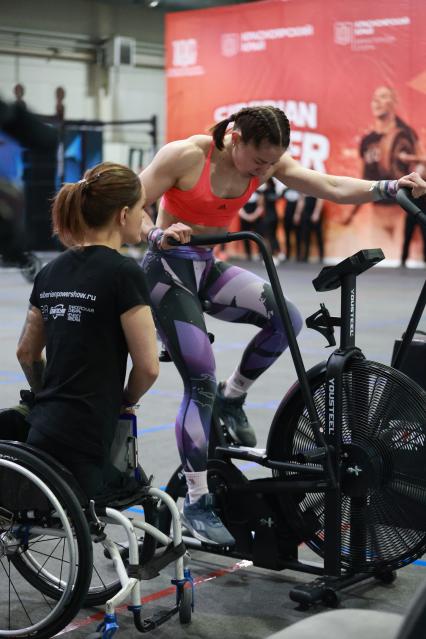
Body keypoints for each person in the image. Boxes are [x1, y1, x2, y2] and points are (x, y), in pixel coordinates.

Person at [138, 105, 426, 547]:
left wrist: (387, 186)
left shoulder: (269, 162)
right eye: (258, 161)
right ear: (234, 138)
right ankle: (197, 500)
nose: (265, 170)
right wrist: (154, 233)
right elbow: (128, 204)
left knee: (286, 319)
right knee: (200, 381)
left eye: (272, 162)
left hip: (207, 266)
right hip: (166, 270)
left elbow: (328, 185)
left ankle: (234, 399)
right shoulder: (184, 156)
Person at [14, 161, 159, 498]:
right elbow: (149, 367)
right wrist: (125, 401)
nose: (144, 216)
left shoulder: (50, 271)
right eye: (142, 208)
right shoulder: (125, 274)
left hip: (42, 434)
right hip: (87, 440)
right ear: (123, 215)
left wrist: (45, 394)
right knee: (148, 497)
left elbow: (26, 352)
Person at [257, 177, 282, 265]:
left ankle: (271, 257)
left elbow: (260, 204)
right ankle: (277, 255)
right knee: (273, 236)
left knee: (268, 237)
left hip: (268, 217)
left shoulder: (264, 192)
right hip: (275, 217)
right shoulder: (275, 192)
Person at [294, 195, 324, 262]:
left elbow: (320, 200)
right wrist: (297, 214)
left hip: (314, 212)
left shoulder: (317, 188)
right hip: (306, 213)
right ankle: (305, 256)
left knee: (318, 235)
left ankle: (321, 256)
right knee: (305, 235)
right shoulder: (304, 188)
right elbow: (301, 201)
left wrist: (316, 213)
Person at [238, 190, 263, 260]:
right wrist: (246, 216)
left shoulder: (259, 193)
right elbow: (239, 206)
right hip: (244, 217)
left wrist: (253, 216)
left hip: (256, 218)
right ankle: (248, 253)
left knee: (258, 234)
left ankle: (260, 253)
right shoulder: (242, 192)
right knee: (245, 235)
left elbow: (260, 206)